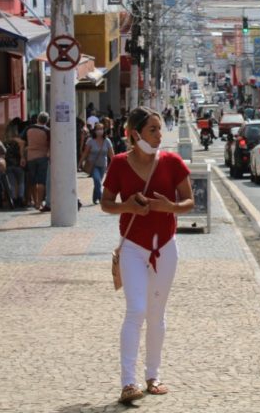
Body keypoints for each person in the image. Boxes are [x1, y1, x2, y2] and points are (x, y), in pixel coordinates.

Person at [100, 106, 195, 404]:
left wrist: (172, 208)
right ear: (134, 134)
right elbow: (105, 202)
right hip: (132, 247)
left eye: (159, 129)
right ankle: (128, 383)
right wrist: (127, 206)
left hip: (165, 247)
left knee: (156, 313)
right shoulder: (118, 164)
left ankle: (153, 375)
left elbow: (189, 200)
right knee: (136, 310)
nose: (158, 135)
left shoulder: (172, 162)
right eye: (152, 129)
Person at [21, 112, 51, 211]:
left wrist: (22, 157)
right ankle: (39, 202)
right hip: (43, 157)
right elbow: (51, 145)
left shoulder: (28, 129)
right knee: (41, 181)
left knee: (32, 180)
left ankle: (35, 202)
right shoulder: (47, 131)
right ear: (47, 121)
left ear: (37, 119)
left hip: (30, 157)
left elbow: (22, 142)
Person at [79, 122, 115, 205]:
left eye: (101, 129)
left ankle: (95, 197)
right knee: (97, 180)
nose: (100, 131)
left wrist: (115, 164)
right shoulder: (90, 141)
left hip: (103, 165)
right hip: (93, 165)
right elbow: (85, 153)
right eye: (98, 129)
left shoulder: (107, 141)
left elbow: (111, 154)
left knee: (97, 182)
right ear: (94, 131)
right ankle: (101, 198)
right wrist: (80, 163)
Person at [4, 119, 26, 208]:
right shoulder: (20, 141)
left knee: (12, 183)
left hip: (8, 164)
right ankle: (20, 199)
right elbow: (22, 149)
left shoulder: (5, 141)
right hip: (18, 164)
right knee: (21, 182)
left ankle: (13, 199)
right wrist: (23, 158)